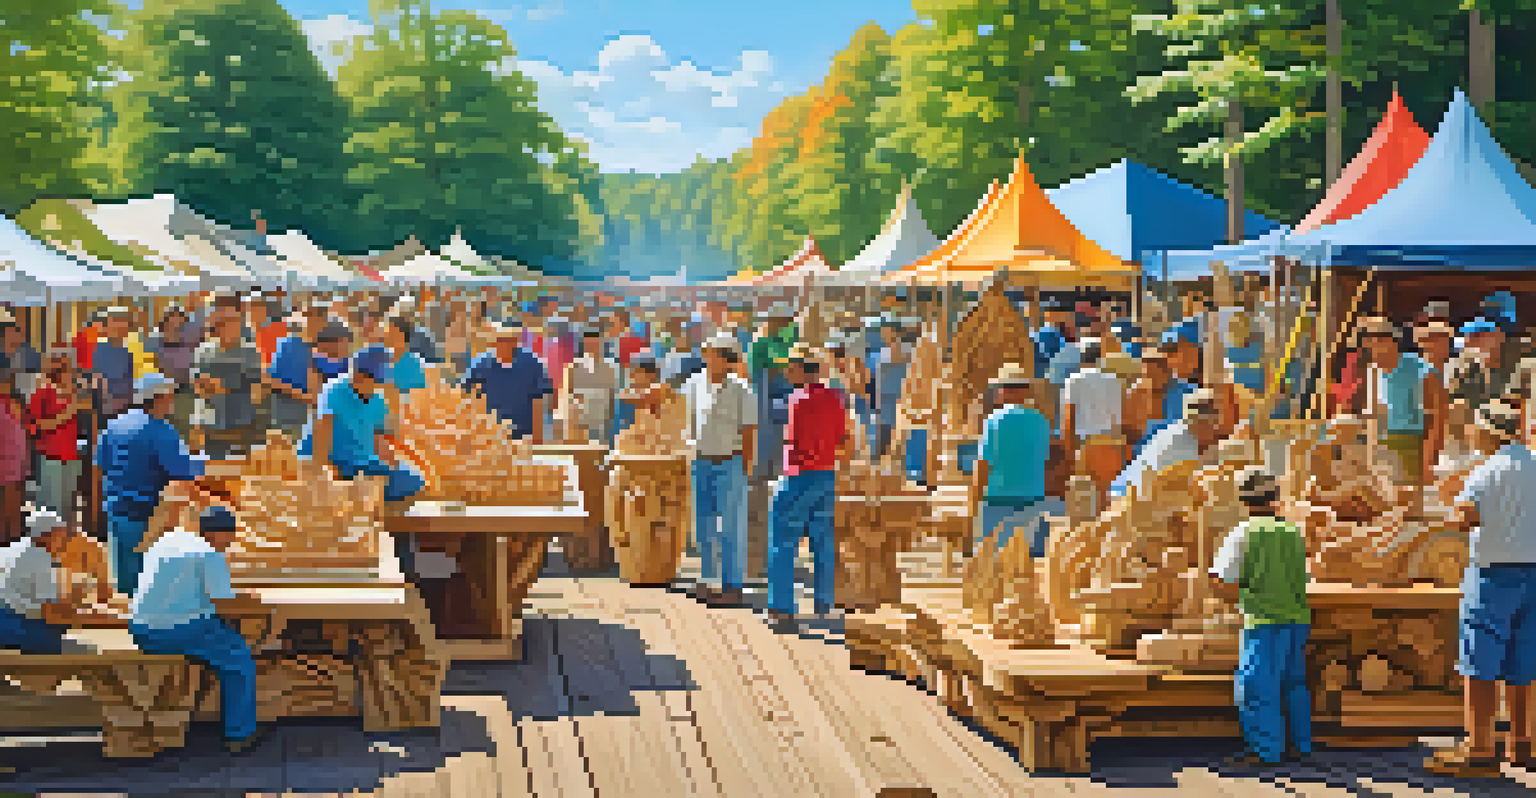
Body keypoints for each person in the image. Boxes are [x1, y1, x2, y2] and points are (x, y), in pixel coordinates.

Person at [1423, 400, 1536, 774]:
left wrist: (1450, 501)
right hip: (1533, 573)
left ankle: (1480, 747)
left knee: (1480, 662)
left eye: (1474, 427)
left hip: (1492, 574)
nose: (1470, 434)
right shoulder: (1533, 464)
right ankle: (1524, 743)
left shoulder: (1487, 471)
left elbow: (1465, 519)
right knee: (1526, 661)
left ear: (1488, 431)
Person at [131, 502, 264, 754]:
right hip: (179, 630)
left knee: (214, 636)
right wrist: (258, 601)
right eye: (230, 537)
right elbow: (224, 603)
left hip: (141, 628)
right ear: (220, 533)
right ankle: (240, 733)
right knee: (239, 657)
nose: (230, 544)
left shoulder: (166, 541)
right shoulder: (209, 553)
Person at [1211, 467, 1313, 768]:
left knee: (1257, 686)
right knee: (1294, 683)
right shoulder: (1293, 532)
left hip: (1263, 619)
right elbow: (1304, 576)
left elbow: (1221, 580)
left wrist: (1233, 599)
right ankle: (1299, 745)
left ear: (1244, 501)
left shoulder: (1243, 533)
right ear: (1276, 499)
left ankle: (1265, 750)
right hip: (1297, 619)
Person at [96, 373, 205, 594]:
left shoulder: (114, 425)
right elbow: (183, 472)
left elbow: (101, 466)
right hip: (146, 515)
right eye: (169, 395)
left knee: (123, 583)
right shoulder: (161, 431)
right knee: (147, 585)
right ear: (158, 398)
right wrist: (204, 462)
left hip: (115, 510)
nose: (173, 400)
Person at [766, 344, 846, 635]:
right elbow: (842, 439)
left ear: (803, 369)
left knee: (783, 543)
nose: (787, 372)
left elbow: (794, 441)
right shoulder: (836, 398)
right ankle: (824, 604)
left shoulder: (797, 399)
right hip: (826, 476)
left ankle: (782, 608)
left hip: (799, 476)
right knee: (822, 543)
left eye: (791, 366)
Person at [682, 335, 757, 607]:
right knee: (702, 524)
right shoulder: (694, 384)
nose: (706, 355)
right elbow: (683, 417)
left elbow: (749, 433)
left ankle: (733, 585)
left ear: (725, 359)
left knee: (731, 527)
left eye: (712, 352)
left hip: (731, 463)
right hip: (701, 462)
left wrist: (746, 469)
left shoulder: (742, 390)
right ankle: (708, 580)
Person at [301, 346, 425, 504]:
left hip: (361, 462)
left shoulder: (378, 401)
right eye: (375, 381)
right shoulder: (333, 391)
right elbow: (322, 433)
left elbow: (379, 440)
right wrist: (320, 474)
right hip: (334, 461)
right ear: (358, 375)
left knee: (413, 481)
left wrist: (396, 467)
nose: (377, 386)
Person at [971, 365, 1053, 556]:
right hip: (1032, 500)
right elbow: (1044, 460)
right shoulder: (1041, 421)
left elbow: (983, 465)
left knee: (992, 564)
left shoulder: (994, 420)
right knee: (1027, 566)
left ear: (1008, 391)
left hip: (998, 501)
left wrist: (974, 503)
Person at [1358, 316, 1445, 489]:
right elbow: (1373, 414)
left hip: (1412, 442)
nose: (1372, 345)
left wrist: (1429, 459)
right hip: (1382, 444)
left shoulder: (1422, 370)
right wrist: (1370, 453)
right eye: (1369, 339)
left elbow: (1437, 417)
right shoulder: (1372, 371)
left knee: (1410, 506)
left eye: (1378, 338)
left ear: (1393, 341)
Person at [1111, 388, 1225, 501]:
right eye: (1201, 418)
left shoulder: (1209, 444)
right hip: (1124, 495)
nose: (1209, 426)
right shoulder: (1177, 441)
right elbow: (1172, 486)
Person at [1062, 338, 1127, 513]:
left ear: (1082, 358)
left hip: (1088, 445)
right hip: (1114, 444)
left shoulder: (1074, 380)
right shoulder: (1115, 380)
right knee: (1109, 501)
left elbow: (1069, 418)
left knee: (1085, 504)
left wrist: (1068, 452)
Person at [193, 310, 266, 459]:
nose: (231, 329)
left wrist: (224, 388)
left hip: (242, 422)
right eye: (226, 325)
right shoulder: (203, 351)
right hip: (211, 421)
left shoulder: (251, 352)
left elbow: (257, 388)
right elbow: (198, 384)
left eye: (235, 325)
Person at [0, 509, 75, 654]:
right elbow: (50, 610)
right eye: (61, 533)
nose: (64, 538)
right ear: (49, 534)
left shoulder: (9, 549)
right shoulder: (41, 557)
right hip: (17, 626)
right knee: (60, 637)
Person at [462, 322, 552, 443]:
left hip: (523, 433)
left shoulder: (531, 363)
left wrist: (538, 436)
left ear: (515, 342)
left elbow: (538, 400)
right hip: (491, 434)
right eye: (499, 341)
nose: (503, 345)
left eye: (508, 341)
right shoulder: (481, 365)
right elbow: (467, 396)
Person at [29, 350, 88, 518]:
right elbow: (35, 425)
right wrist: (65, 415)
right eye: (65, 366)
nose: (70, 369)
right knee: (49, 508)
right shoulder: (43, 391)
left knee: (67, 507)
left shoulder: (74, 392)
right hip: (51, 457)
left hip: (69, 455)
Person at [268, 304, 327, 439]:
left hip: (319, 424)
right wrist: (307, 397)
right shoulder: (286, 345)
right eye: (309, 316)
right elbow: (273, 382)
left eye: (319, 316)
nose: (313, 320)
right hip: (289, 422)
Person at [143, 306, 202, 438]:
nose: (176, 326)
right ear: (164, 324)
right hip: (160, 395)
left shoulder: (190, 342)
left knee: (184, 431)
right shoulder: (153, 343)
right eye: (172, 322)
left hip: (184, 394)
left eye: (180, 323)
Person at [562, 326, 620, 444]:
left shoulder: (612, 368)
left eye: (596, 343)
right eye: (589, 343)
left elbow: (614, 400)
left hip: (604, 428)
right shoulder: (574, 367)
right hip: (581, 428)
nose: (593, 347)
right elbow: (568, 400)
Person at [92, 307, 136, 421]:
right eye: (115, 322)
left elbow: (130, 384)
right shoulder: (97, 351)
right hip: (103, 410)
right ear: (106, 327)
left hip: (125, 411)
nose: (119, 327)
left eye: (123, 323)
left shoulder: (127, 353)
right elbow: (96, 382)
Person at [0, 368, 27, 545]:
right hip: (6, 466)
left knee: (14, 507)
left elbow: (21, 435)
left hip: (16, 465)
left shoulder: (12, 404)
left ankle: (15, 544)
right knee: (7, 508)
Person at [381, 314, 428, 407]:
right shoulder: (386, 360)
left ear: (401, 335)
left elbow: (416, 396)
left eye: (391, 331)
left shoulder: (414, 363)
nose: (386, 335)